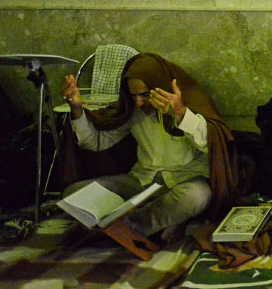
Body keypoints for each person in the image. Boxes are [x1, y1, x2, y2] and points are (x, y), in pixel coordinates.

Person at [60, 53, 236, 241]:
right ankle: (156, 226)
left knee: (196, 196)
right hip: (141, 182)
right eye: (133, 95)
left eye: (145, 95)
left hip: (184, 181)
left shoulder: (189, 103)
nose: (139, 102)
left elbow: (213, 145)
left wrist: (180, 113)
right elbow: (96, 141)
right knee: (74, 194)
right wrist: (76, 108)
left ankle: (126, 229)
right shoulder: (133, 110)